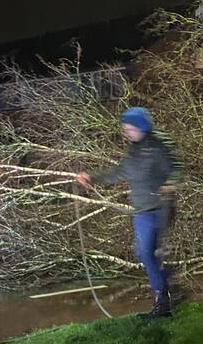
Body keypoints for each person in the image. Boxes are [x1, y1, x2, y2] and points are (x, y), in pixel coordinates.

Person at [76, 107, 181, 319]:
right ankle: (166, 282)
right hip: (142, 210)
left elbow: (175, 168)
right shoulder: (134, 151)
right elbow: (119, 172)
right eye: (124, 128)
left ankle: (162, 304)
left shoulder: (158, 146)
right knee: (143, 253)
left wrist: (170, 185)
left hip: (160, 207)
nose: (126, 132)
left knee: (150, 254)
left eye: (129, 128)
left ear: (141, 126)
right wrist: (92, 178)